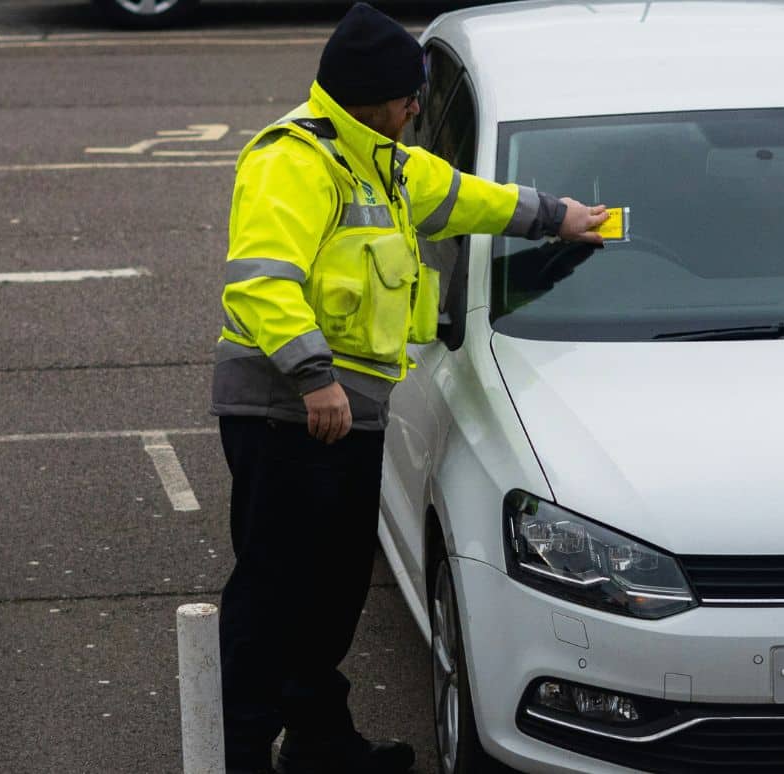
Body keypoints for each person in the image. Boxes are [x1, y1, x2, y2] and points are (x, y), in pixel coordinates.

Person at [209, 4, 609, 772]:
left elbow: (465, 195)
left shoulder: (382, 157)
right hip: (286, 415)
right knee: (272, 597)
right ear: (372, 99)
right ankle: (244, 754)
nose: (417, 109)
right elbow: (261, 283)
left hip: (345, 417)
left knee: (329, 599)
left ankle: (321, 743)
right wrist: (312, 377)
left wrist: (558, 217)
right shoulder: (294, 159)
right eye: (408, 97)